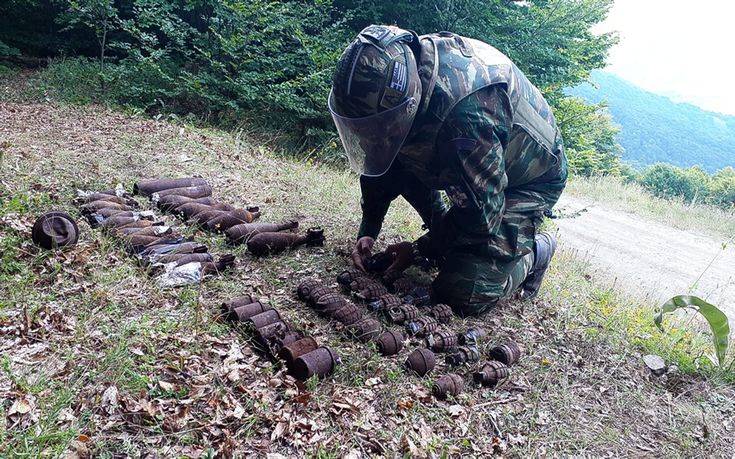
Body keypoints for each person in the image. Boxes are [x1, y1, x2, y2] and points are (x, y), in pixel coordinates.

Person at [328, 25, 567, 316]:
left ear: (409, 104)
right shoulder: (402, 69)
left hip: (529, 179)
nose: (379, 138)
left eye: (385, 129)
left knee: (464, 294)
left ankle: (537, 252)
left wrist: (417, 251)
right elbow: (380, 156)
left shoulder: (468, 120)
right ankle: (446, 242)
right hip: (468, 161)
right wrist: (369, 229)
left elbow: (481, 218)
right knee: (403, 160)